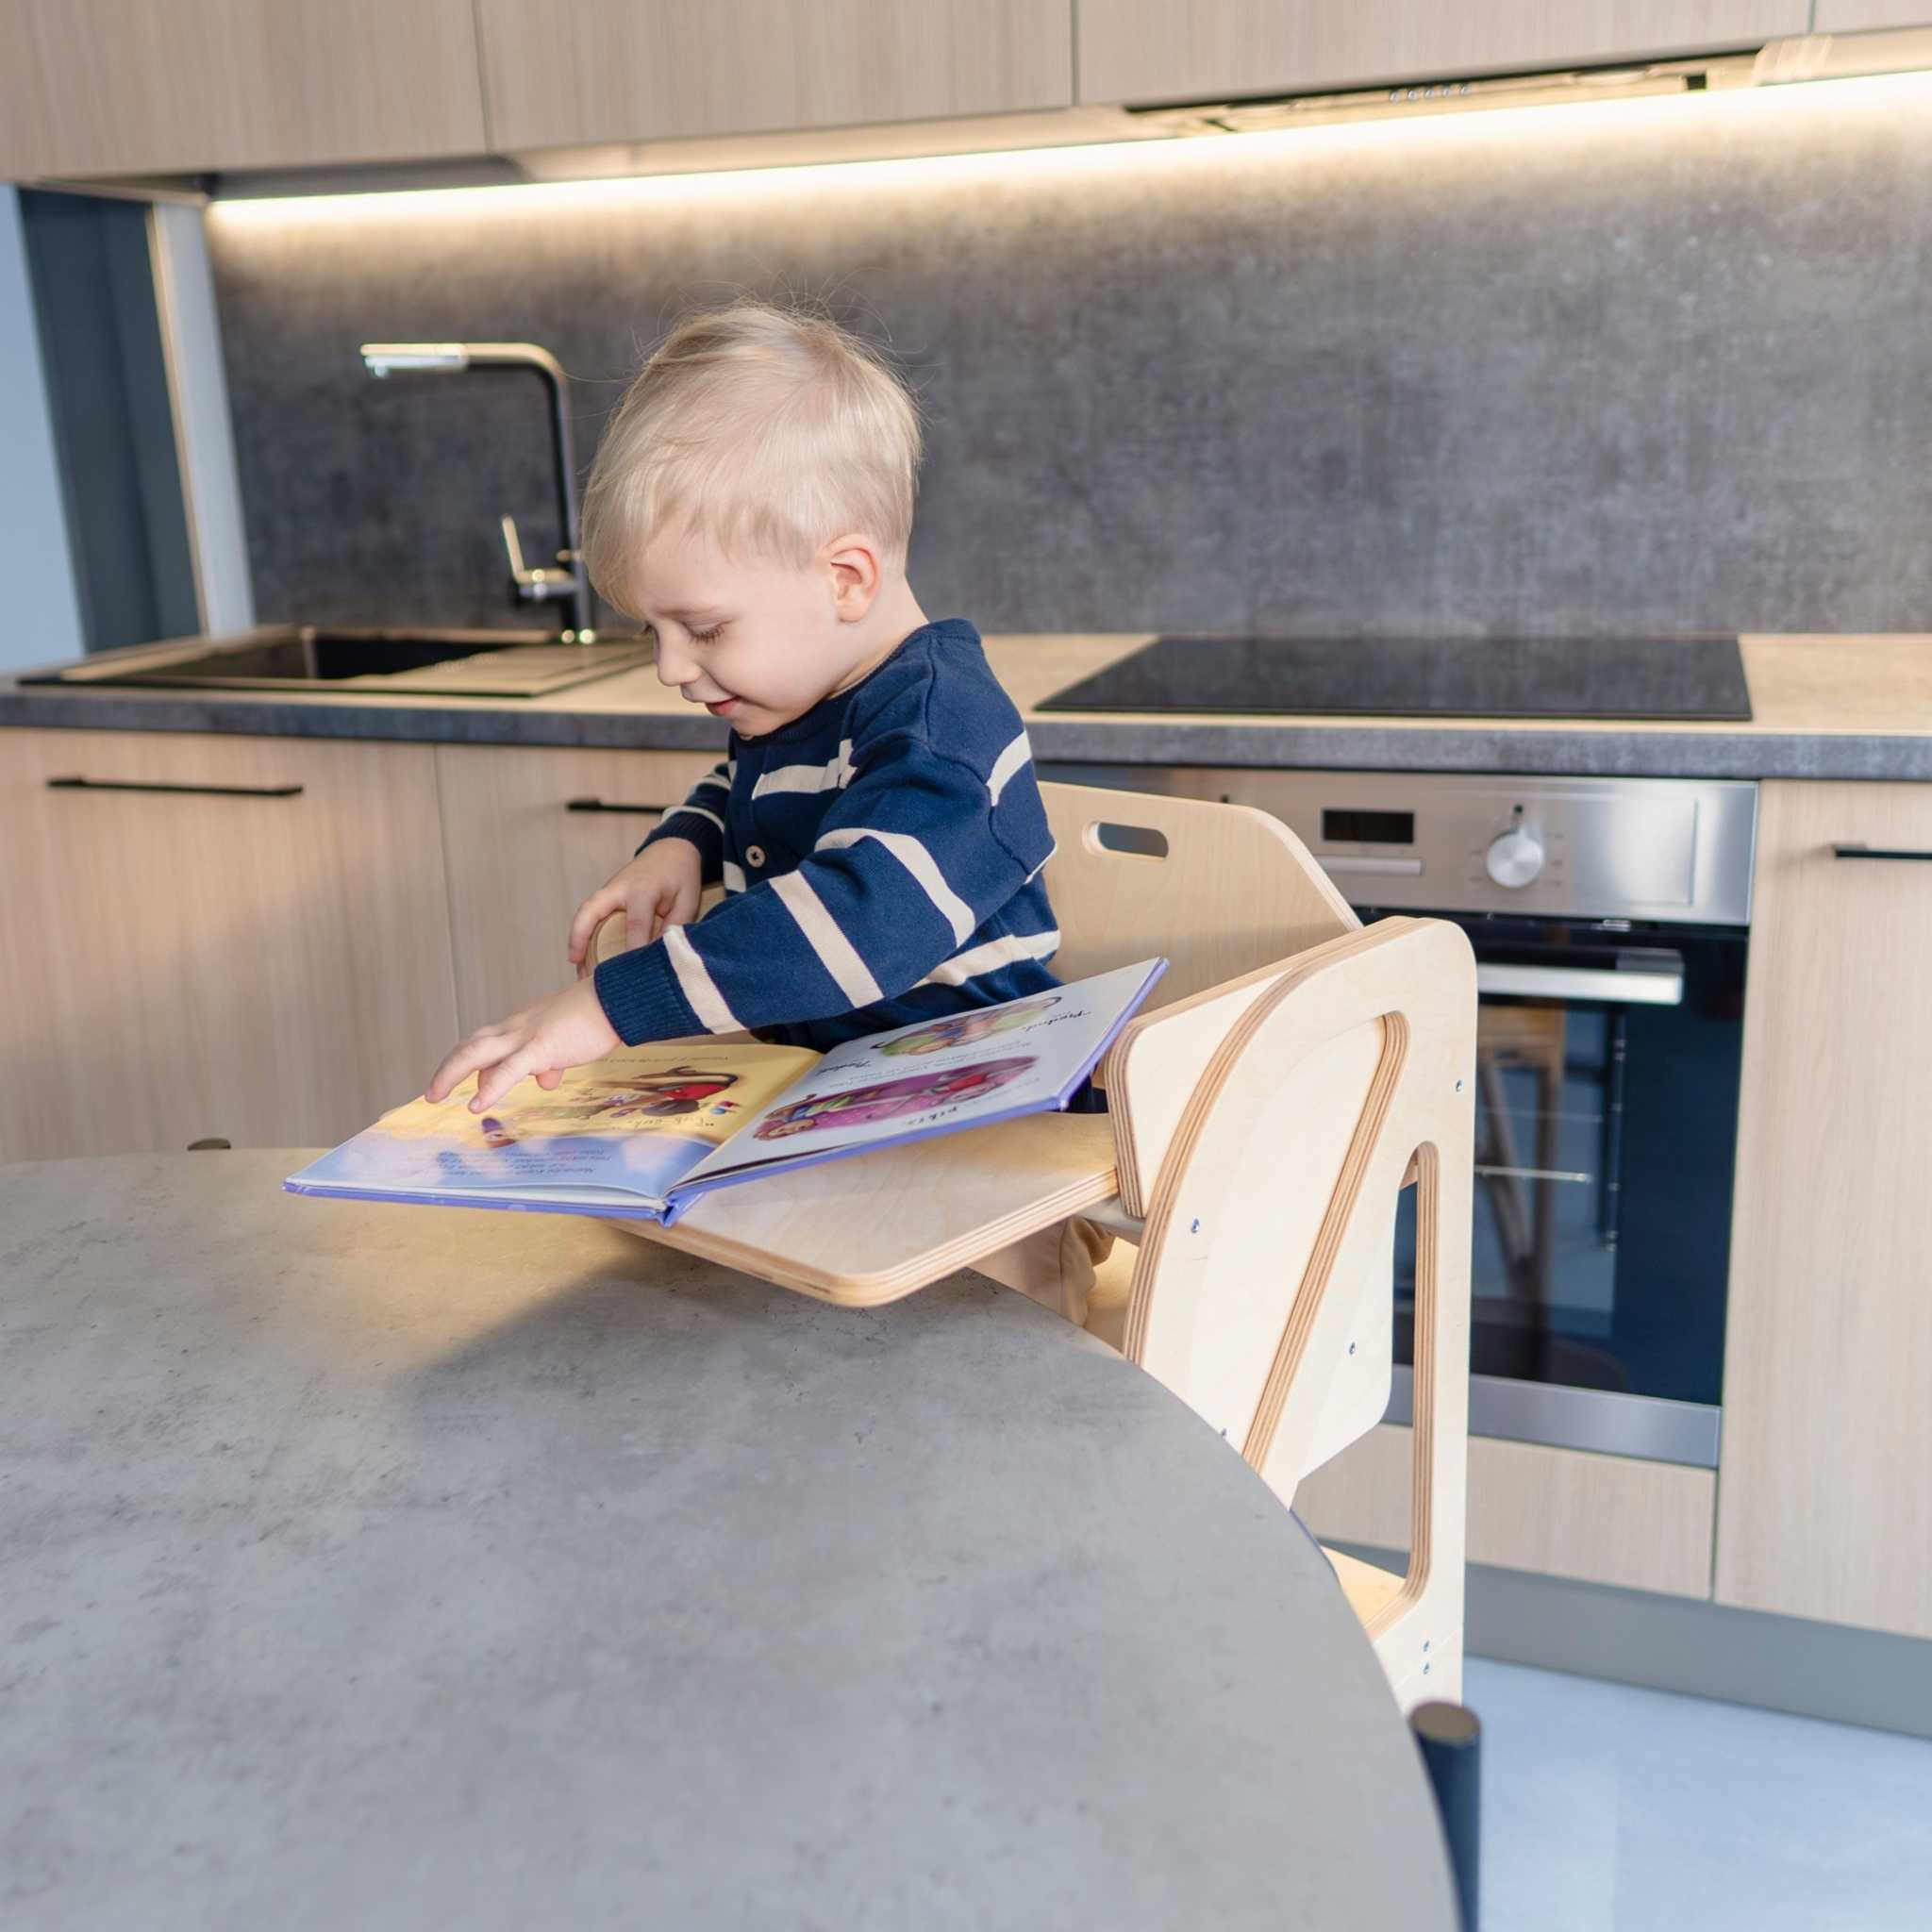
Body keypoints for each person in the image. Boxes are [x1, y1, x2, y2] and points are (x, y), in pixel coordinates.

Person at [424, 300, 1108, 1319]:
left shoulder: (939, 734)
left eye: (699, 626)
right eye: (653, 628)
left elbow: (855, 924)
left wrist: (610, 1004)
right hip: (842, 1100)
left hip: (987, 1139)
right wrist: (687, 840)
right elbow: (758, 785)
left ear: (844, 578)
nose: (669, 667)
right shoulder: (803, 695)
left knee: (955, 1353)